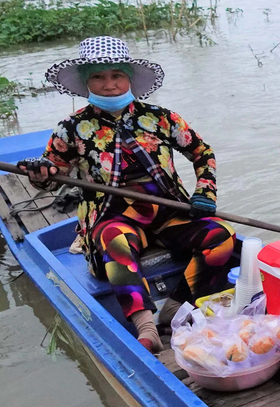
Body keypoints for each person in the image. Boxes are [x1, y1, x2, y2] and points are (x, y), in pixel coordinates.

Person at [21, 36, 236, 353]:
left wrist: (205, 191)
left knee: (222, 236)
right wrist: (41, 175)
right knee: (114, 241)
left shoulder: (161, 118)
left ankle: (177, 306)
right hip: (114, 217)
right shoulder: (72, 127)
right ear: (86, 81)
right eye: (98, 76)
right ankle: (146, 328)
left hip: (169, 212)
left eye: (117, 75)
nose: (109, 84)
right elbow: (52, 176)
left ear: (130, 78)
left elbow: (202, 152)